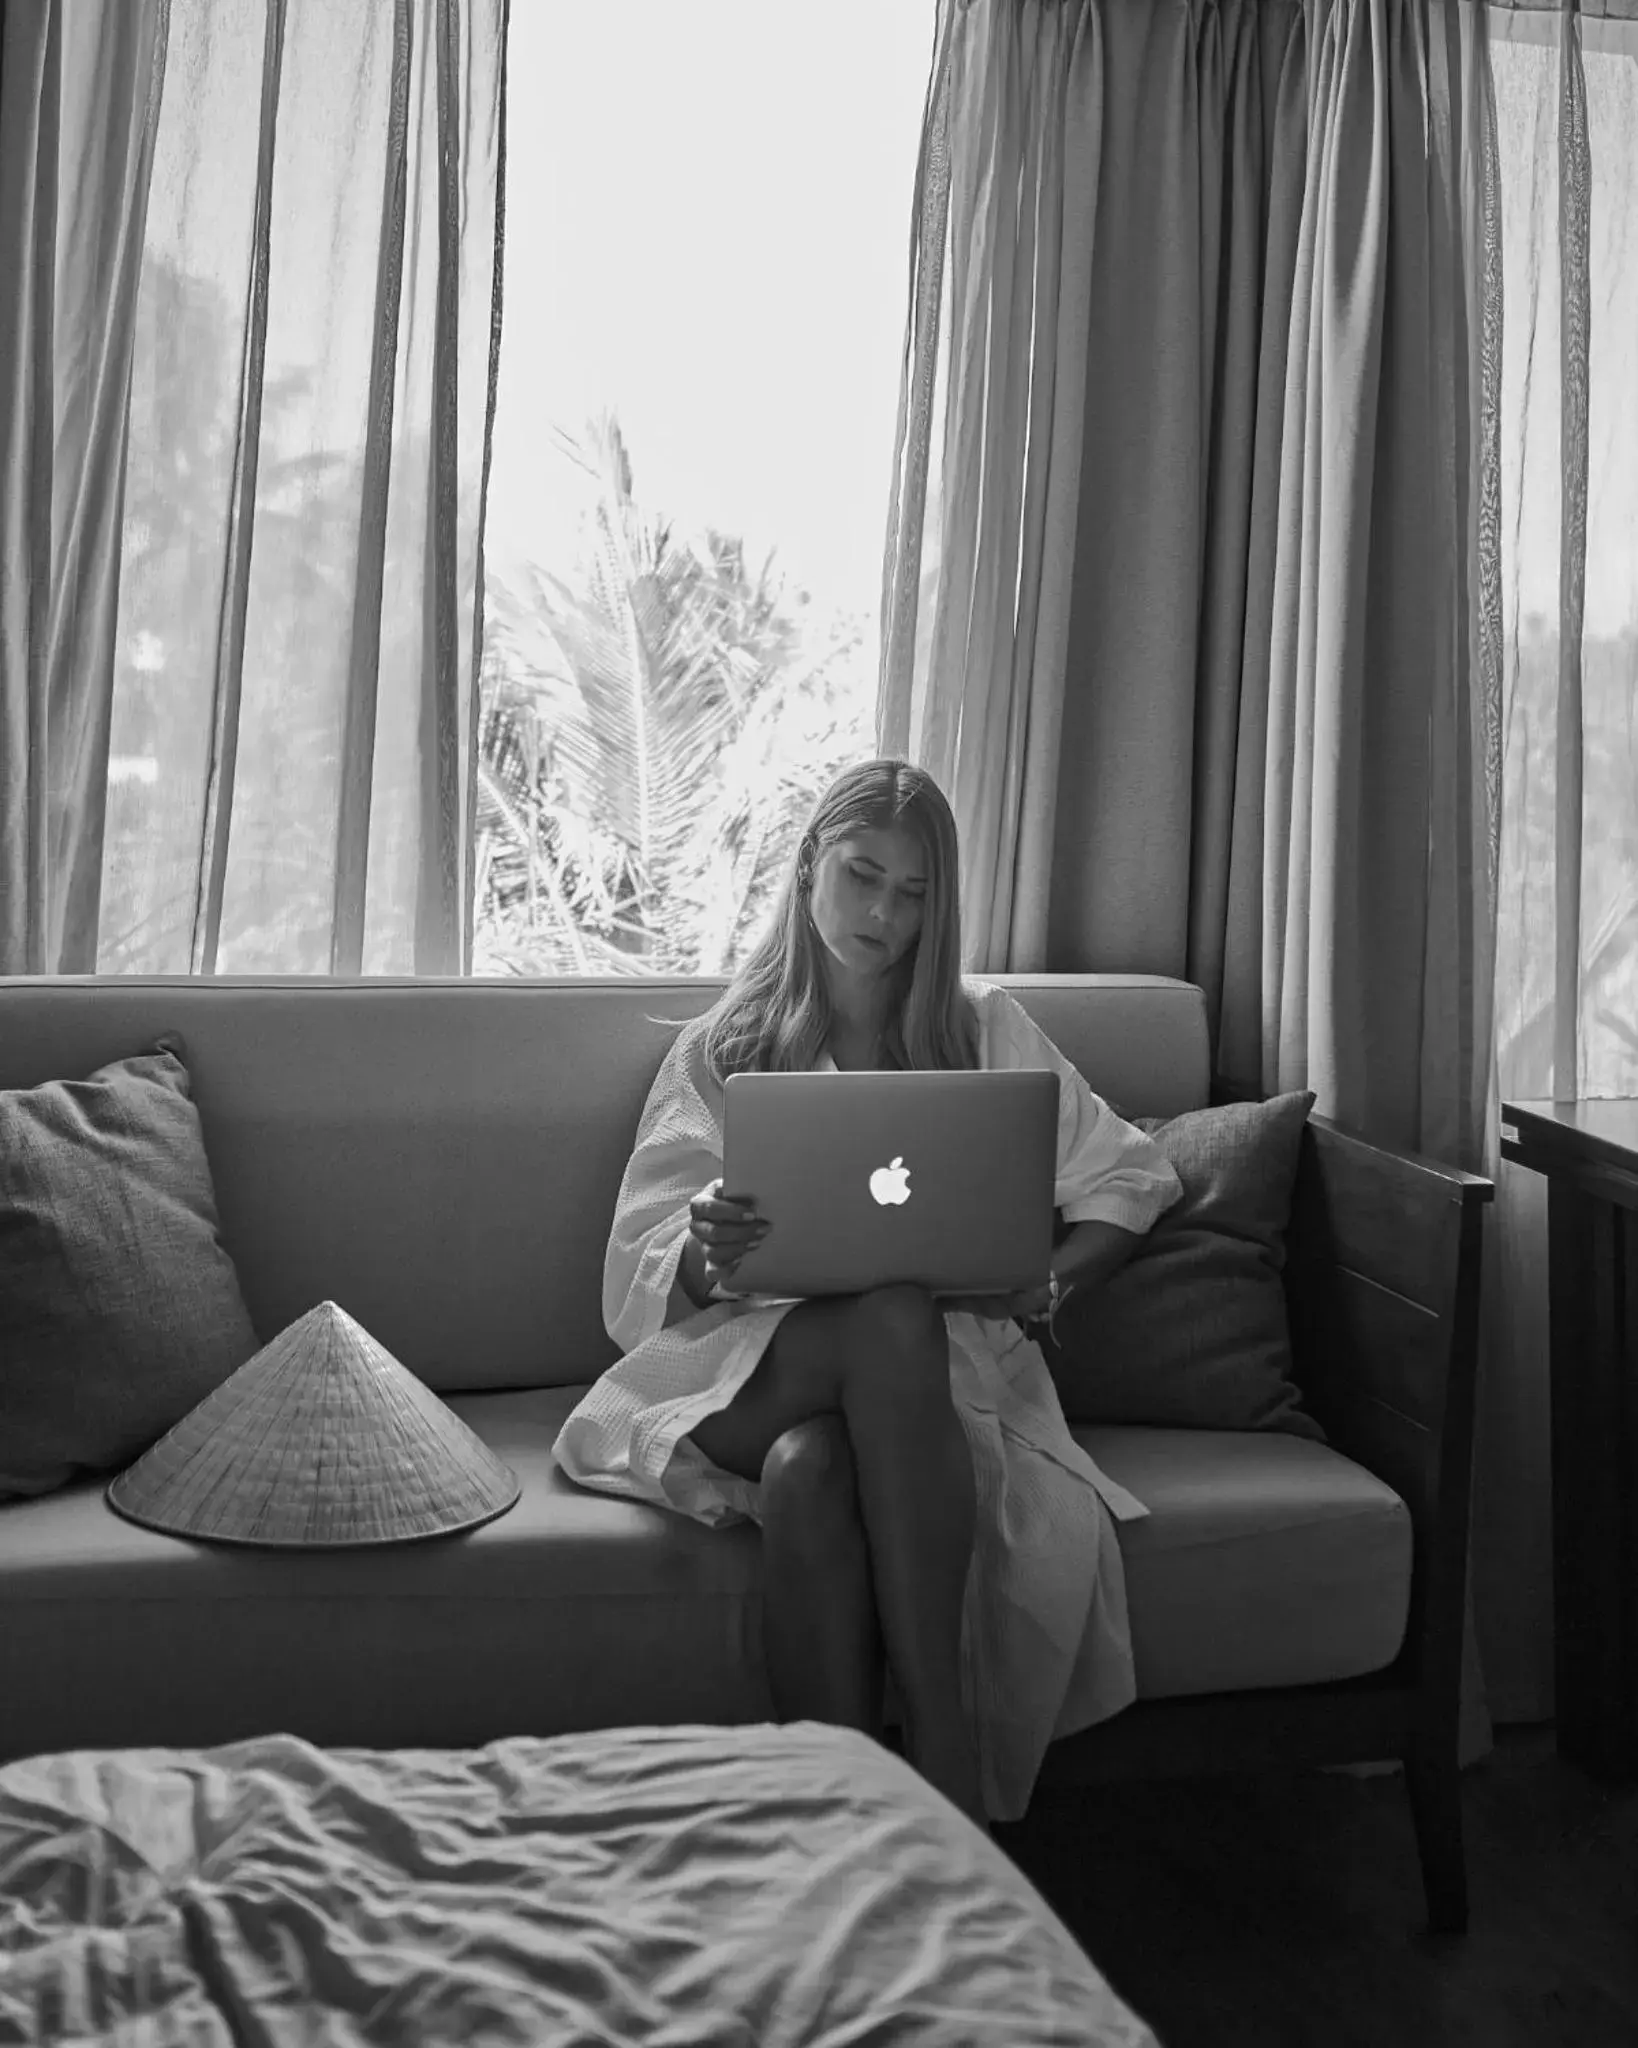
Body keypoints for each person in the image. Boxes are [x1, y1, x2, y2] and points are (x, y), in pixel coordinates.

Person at [554, 758, 1183, 1831]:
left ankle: (846, 1822)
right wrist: (707, 1248)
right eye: (862, 876)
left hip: (906, 1397)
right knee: (891, 1315)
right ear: (809, 870)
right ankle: (944, 1746)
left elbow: (1129, 1173)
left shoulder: (982, 1033)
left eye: (914, 893)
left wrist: (1051, 1280)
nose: (884, 914)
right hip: (741, 1373)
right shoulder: (728, 1048)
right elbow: (635, 1269)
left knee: (813, 1468)